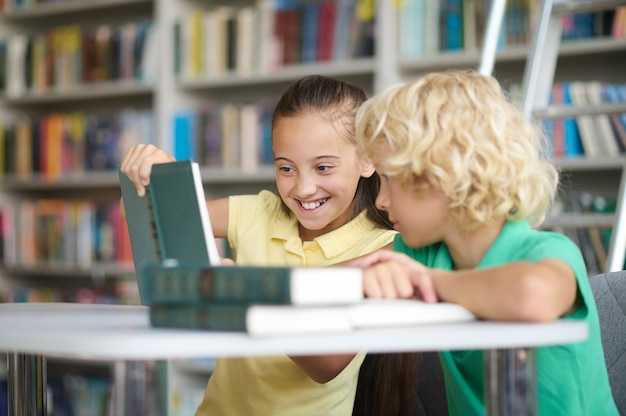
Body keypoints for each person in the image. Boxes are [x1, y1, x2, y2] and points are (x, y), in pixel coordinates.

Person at [120, 75, 418, 415]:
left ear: (367, 159)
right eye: (286, 168)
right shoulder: (258, 212)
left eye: (323, 167)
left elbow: (327, 364)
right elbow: (142, 214)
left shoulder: (386, 248)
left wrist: (241, 295)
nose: (304, 189)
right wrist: (152, 173)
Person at [349, 69, 619, 416]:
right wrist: (365, 277)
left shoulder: (549, 252)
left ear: (444, 174)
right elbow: (333, 278)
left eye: (389, 178)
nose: (381, 200)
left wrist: (428, 283)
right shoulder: (427, 253)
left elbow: (530, 298)